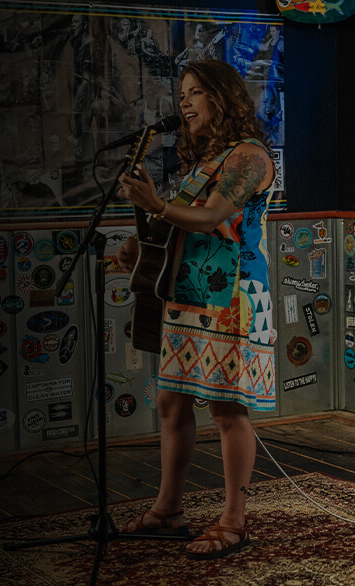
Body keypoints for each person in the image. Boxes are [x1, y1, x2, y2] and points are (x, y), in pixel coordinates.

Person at [115, 59, 276, 559]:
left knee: (227, 408)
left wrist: (158, 205)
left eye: (197, 92)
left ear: (223, 98)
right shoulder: (205, 162)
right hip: (186, 293)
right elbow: (181, 229)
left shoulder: (249, 158)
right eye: (182, 94)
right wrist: (139, 245)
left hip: (232, 295)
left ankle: (234, 521)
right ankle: (169, 510)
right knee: (171, 403)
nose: (184, 103)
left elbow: (210, 218)